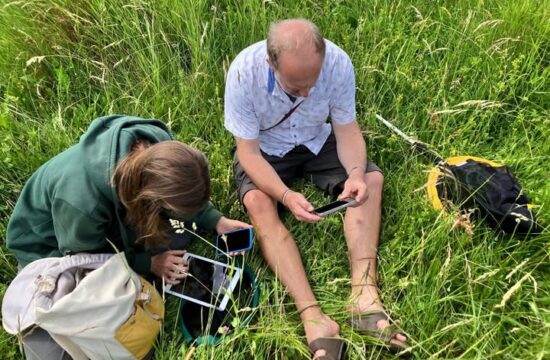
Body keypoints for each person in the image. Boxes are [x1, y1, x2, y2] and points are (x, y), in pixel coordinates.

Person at [224, 19, 409, 358]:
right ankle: (313, 316)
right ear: (271, 64)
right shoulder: (242, 74)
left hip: (315, 139)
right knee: (257, 204)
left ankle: (364, 296)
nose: (307, 93)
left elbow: (347, 131)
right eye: (296, 88)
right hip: (266, 150)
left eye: (314, 82)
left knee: (370, 181)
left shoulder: (337, 63)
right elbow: (248, 154)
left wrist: (354, 172)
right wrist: (284, 194)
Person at [6, 114, 250, 359]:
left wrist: (217, 221)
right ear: (151, 197)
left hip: (103, 223)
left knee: (176, 243)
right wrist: (150, 263)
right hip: (52, 248)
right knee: (72, 343)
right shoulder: (82, 202)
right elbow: (87, 260)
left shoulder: (159, 147)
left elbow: (180, 191)